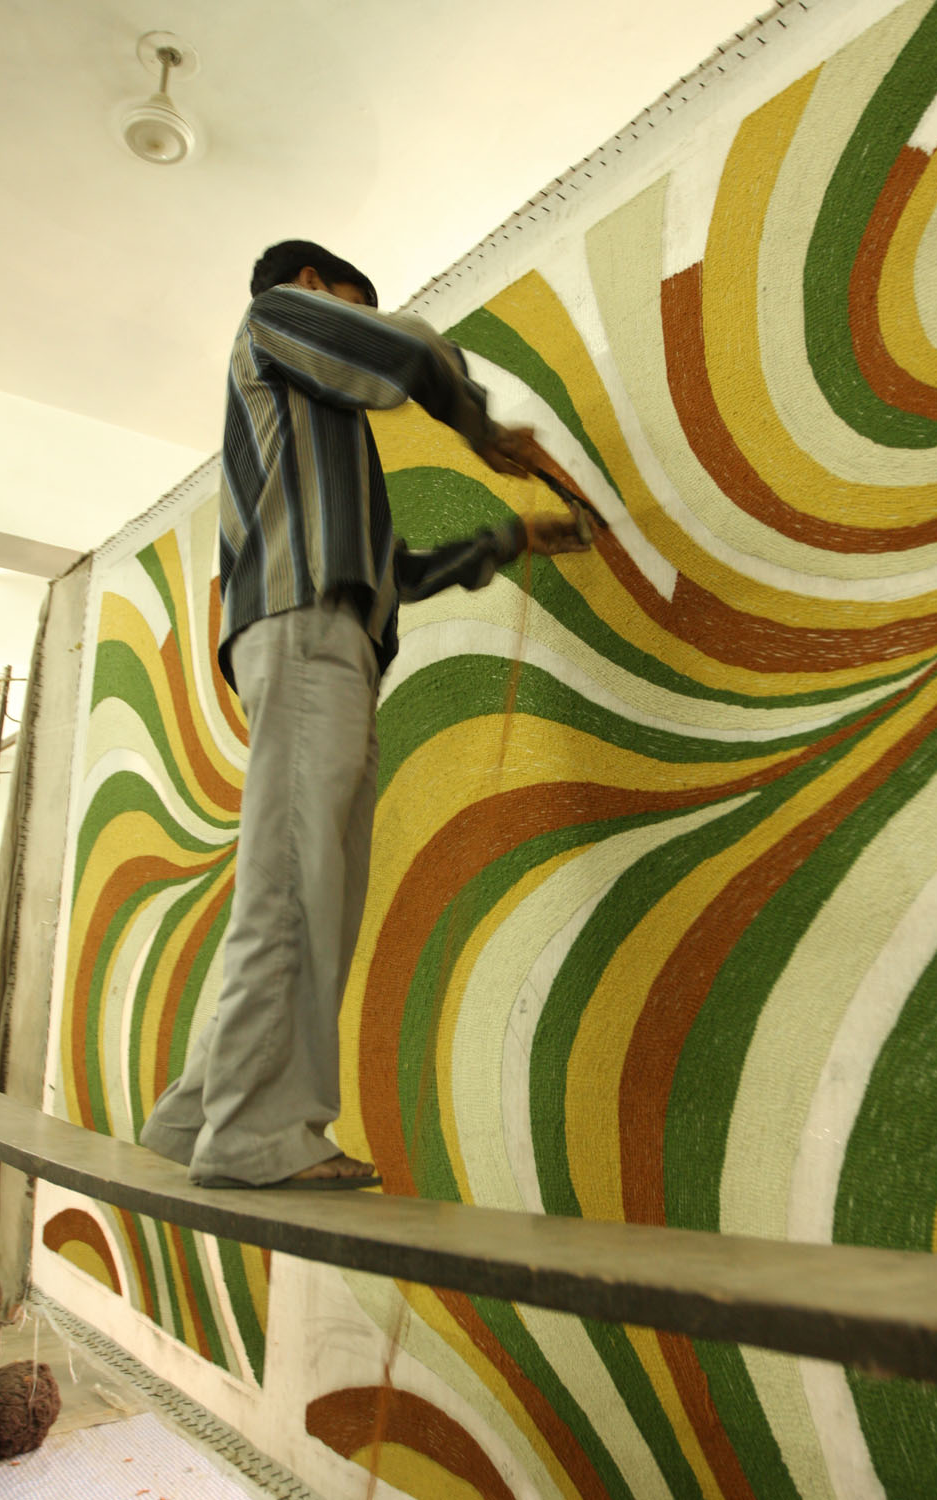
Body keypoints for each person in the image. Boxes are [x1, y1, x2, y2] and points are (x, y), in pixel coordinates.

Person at [140, 239, 592, 1189]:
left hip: (325, 637)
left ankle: (198, 1116)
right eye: (353, 305)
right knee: (298, 887)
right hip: (308, 633)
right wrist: (477, 424)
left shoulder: (316, 442)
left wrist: (508, 538)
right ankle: (256, 1133)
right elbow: (409, 349)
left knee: (308, 890)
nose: (358, 324)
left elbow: (391, 573)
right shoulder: (273, 317)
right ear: (312, 287)